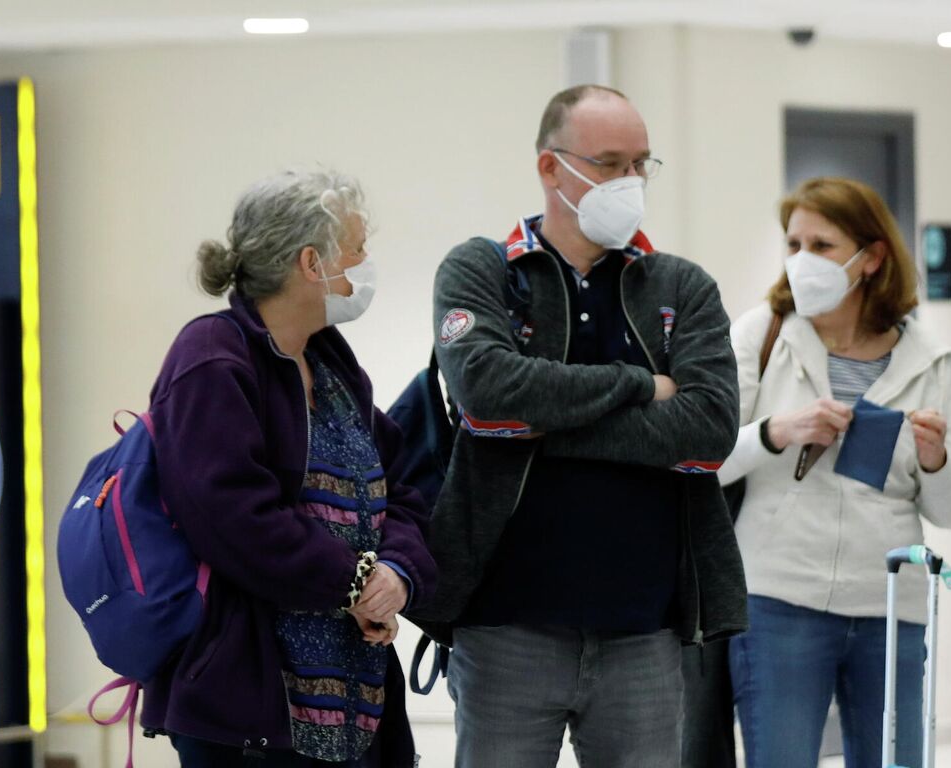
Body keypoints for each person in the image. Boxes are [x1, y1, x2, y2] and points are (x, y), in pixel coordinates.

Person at [408, 85, 744, 768]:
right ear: (551, 168)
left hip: (645, 631)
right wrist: (638, 387)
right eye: (610, 162)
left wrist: (550, 424)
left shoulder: (681, 288)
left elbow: (708, 428)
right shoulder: (483, 271)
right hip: (506, 625)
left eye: (641, 164)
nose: (629, 183)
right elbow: (488, 394)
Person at [141, 170, 437, 768]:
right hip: (250, 705)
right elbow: (233, 518)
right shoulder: (212, 358)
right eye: (356, 249)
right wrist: (355, 584)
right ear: (311, 263)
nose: (365, 264)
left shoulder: (330, 364)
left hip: (358, 700)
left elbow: (400, 485)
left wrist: (395, 575)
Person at [715, 176, 951, 768]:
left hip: (889, 603)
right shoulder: (762, 333)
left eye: (822, 245)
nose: (803, 260)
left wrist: (934, 461)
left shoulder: (927, 357)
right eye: (794, 244)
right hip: (779, 597)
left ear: (872, 257)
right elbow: (708, 460)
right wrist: (777, 432)